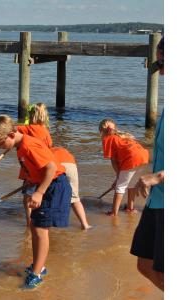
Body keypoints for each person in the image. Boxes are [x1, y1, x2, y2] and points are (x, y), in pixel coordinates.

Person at [0, 115, 71, 289]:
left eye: (0, 143)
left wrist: (39, 192)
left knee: (40, 229)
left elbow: (51, 168)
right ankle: (38, 265)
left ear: (11, 135)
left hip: (54, 185)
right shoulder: (21, 146)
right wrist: (31, 180)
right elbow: (37, 168)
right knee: (34, 226)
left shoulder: (29, 145)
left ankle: (37, 274)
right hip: (44, 184)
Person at [130, 36, 163, 291]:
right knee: (144, 264)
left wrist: (158, 177)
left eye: (164, 62)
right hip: (157, 200)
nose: (159, 70)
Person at [98, 118, 149, 216]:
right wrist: (120, 177)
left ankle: (113, 213)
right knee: (132, 184)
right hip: (143, 156)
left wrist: (118, 177)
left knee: (120, 187)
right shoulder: (124, 135)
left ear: (101, 131)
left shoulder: (108, 139)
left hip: (132, 158)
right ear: (115, 128)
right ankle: (130, 208)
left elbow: (113, 160)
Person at [16, 103, 53, 226]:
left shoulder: (28, 128)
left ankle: (29, 222)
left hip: (30, 169)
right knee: (38, 195)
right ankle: (39, 220)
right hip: (43, 168)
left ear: (31, 116)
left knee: (27, 198)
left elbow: (12, 130)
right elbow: (49, 148)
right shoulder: (45, 131)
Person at [52, 146, 92, 230]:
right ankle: (85, 225)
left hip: (55, 163)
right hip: (71, 164)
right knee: (75, 197)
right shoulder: (63, 150)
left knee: (49, 194)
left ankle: (49, 225)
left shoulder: (45, 151)